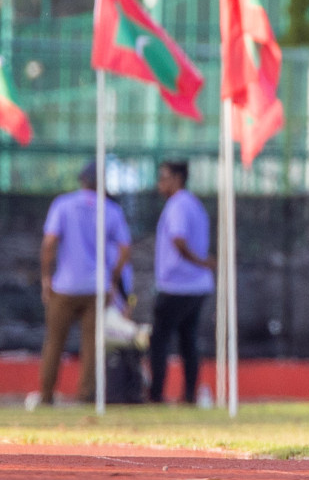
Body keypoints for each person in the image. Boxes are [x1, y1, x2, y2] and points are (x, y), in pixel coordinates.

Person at [36, 160, 132, 406]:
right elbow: (124, 249)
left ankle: (46, 396)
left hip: (64, 286)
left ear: (81, 180)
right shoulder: (111, 210)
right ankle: (85, 395)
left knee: (54, 341)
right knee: (91, 346)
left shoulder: (63, 204)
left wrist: (46, 277)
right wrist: (112, 278)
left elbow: (49, 244)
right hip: (97, 287)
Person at [148, 160, 214, 405]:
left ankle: (156, 394)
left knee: (159, 341)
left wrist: (200, 262)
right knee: (188, 340)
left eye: (164, 177)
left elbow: (178, 240)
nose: (160, 184)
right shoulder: (195, 204)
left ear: (177, 179)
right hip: (197, 285)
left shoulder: (178, 205)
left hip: (177, 285)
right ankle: (189, 395)